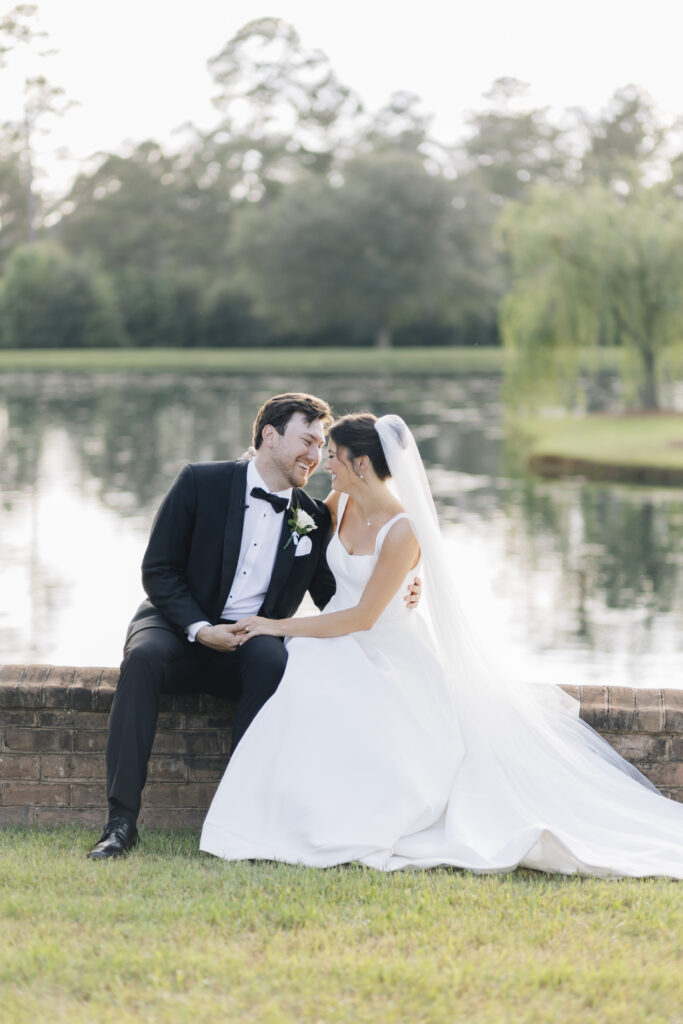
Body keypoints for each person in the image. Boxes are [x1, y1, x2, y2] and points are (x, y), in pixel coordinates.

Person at [200, 413, 683, 878]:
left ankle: (352, 820)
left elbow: (367, 616)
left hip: (384, 646)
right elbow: (293, 519)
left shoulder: (403, 528)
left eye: (334, 456)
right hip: (333, 635)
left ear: (361, 464)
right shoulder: (338, 502)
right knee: (305, 685)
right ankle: (285, 816)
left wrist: (276, 626)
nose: (326, 463)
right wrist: (254, 463)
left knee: (337, 694)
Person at [87, 393, 421, 860]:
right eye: (307, 440)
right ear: (269, 435)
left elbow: (336, 591)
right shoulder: (200, 482)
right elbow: (158, 569)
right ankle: (120, 823)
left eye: (323, 445)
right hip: (177, 625)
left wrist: (402, 589)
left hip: (252, 638)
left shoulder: (314, 515)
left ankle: (240, 814)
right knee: (141, 660)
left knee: (275, 662)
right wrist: (201, 629)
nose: (316, 455)